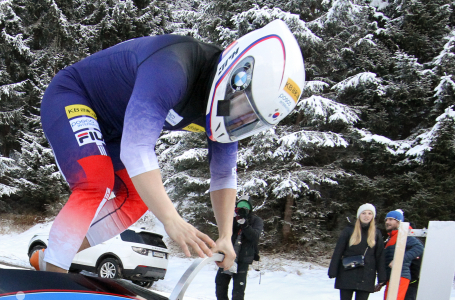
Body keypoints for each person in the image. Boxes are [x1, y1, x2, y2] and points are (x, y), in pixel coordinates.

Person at [31, 19, 306, 275]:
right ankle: (53, 278)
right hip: (75, 95)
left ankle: (51, 258)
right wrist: (171, 220)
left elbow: (223, 175)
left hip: (118, 128)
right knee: (95, 180)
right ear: (236, 76)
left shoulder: (227, 108)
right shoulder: (173, 67)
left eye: (248, 121)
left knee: (137, 199)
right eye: (241, 110)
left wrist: (225, 236)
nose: (238, 121)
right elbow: (136, 149)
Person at [328, 203, 387, 300]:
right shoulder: (349, 230)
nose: (366, 216)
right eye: (364, 213)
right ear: (359, 215)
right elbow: (338, 250)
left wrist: (382, 277)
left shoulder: (376, 233)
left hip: (366, 275)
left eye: (370, 213)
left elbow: (380, 256)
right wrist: (333, 270)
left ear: (373, 216)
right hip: (347, 272)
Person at [380, 209, 423, 300]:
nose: (388, 222)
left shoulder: (404, 234)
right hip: (392, 278)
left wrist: (399, 260)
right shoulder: (392, 237)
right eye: (386, 219)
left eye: (391, 219)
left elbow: (419, 247)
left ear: (399, 222)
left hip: (401, 277)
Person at [215, 199, 262, 300]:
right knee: (220, 285)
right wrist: (235, 221)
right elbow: (224, 233)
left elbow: (254, 237)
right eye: (240, 208)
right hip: (227, 256)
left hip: (243, 259)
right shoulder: (232, 219)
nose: (242, 211)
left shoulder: (256, 221)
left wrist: (245, 225)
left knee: (238, 289)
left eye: (245, 209)